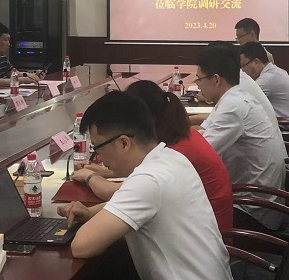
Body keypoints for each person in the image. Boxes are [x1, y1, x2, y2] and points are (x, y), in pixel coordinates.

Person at [58, 91, 232, 280]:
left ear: (124, 143)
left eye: (97, 148)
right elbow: (134, 200)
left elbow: (82, 246)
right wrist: (90, 213)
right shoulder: (171, 157)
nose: (98, 158)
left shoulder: (148, 180)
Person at [72, 80, 234, 234]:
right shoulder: (176, 140)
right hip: (205, 230)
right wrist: (106, 171)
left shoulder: (174, 153)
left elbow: (118, 192)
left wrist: (90, 176)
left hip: (214, 231)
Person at [194, 46, 287, 232]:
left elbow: (198, 157)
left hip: (254, 210)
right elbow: (202, 133)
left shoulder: (233, 107)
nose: (198, 85)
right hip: (255, 197)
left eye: (199, 79)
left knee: (180, 214)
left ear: (216, 79)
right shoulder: (234, 96)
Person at [240, 41, 289, 122]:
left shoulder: (268, 79)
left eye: (243, 66)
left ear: (256, 62)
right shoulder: (274, 71)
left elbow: (242, 101)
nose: (243, 70)